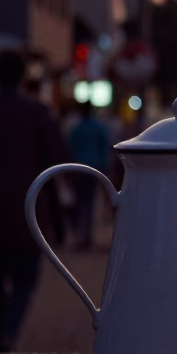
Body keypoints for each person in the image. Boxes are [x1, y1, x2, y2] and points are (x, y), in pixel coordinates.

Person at [0, 52, 65, 352]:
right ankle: (9, 330)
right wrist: (58, 221)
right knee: (25, 279)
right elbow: (53, 170)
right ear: (22, 77)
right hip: (28, 218)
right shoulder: (38, 114)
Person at [65, 101, 112, 249]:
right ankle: (87, 236)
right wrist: (105, 168)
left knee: (79, 202)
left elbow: (69, 147)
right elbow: (105, 148)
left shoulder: (77, 129)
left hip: (78, 168)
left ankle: (80, 235)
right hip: (94, 168)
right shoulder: (98, 127)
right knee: (90, 202)